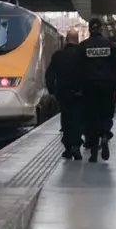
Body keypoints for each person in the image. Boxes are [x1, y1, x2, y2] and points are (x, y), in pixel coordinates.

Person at [77, 18, 116, 163]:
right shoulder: (111, 46)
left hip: (89, 88)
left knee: (91, 118)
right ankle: (105, 135)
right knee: (106, 114)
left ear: (89, 29)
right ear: (101, 29)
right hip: (107, 87)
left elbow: (76, 68)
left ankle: (93, 149)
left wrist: (78, 87)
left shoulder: (83, 47)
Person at [45, 29, 84, 160]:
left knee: (66, 119)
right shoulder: (82, 54)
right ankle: (77, 146)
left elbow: (49, 75)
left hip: (63, 93)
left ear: (66, 40)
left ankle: (68, 147)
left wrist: (52, 91)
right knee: (78, 119)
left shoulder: (58, 55)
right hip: (79, 93)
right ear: (77, 40)